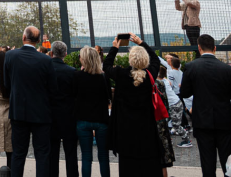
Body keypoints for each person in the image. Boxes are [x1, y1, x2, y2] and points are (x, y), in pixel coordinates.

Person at [1, 26, 58, 177]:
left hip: (18, 111)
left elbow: (6, 84)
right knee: (42, 154)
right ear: (39, 41)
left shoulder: (11, 56)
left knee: (18, 154)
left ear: (23, 37)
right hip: (41, 113)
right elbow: (53, 88)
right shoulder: (46, 60)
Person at [102, 34, 162, 176]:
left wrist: (114, 48)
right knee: (147, 165)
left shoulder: (120, 74)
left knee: (128, 167)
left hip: (125, 130)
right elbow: (155, 59)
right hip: (146, 128)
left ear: (130, 59)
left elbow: (106, 66)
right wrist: (141, 43)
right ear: (145, 59)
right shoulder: (150, 74)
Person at [180, 34, 231, 177]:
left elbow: (185, 93)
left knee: (207, 161)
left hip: (202, 120)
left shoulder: (191, 67)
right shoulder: (227, 69)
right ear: (215, 48)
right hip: (224, 120)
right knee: (228, 161)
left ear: (199, 48)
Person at [73, 46, 109, 177]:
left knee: (86, 156)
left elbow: (73, 96)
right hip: (101, 119)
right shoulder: (103, 77)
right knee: (104, 156)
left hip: (83, 119)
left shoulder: (77, 76)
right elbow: (108, 97)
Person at [46, 41, 78, 177]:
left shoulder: (46, 71)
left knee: (52, 153)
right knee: (71, 153)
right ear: (65, 54)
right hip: (68, 116)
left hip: (50, 116)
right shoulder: (72, 72)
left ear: (51, 53)